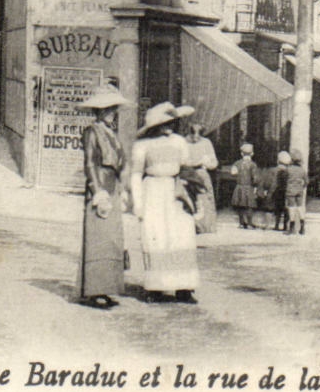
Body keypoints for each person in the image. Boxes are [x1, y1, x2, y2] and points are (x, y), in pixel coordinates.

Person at [129, 102, 199, 303]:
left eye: (172, 122)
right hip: (153, 191)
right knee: (157, 236)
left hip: (175, 190)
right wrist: (138, 203)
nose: (170, 126)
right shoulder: (142, 145)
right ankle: (156, 288)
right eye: (165, 122)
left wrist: (189, 190)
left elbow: (186, 167)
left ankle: (184, 287)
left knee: (181, 236)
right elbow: (136, 174)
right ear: (155, 125)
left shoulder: (179, 142)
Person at [77, 84, 128, 309]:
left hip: (113, 185)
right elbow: (89, 163)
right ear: (98, 111)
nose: (111, 113)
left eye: (113, 109)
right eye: (107, 109)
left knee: (110, 239)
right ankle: (93, 289)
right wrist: (97, 190)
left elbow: (120, 163)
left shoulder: (111, 134)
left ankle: (106, 287)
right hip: (100, 187)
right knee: (98, 239)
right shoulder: (92, 132)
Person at [182, 117, 219, 235]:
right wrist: (198, 162)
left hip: (201, 175)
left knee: (204, 200)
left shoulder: (206, 143)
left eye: (199, 133)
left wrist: (207, 163)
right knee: (187, 199)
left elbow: (214, 163)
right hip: (187, 174)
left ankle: (204, 226)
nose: (195, 137)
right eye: (193, 133)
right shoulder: (182, 142)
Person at [229, 143, 262, 229]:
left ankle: (241, 223)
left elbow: (233, 172)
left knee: (240, 205)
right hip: (249, 187)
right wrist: (256, 185)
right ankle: (250, 223)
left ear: (241, 153)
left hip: (239, 186)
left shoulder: (237, 163)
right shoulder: (253, 164)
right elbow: (255, 178)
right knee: (249, 205)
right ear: (252, 154)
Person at [278, 150, 308, 236]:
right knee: (300, 207)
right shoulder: (302, 170)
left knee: (291, 208)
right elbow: (306, 181)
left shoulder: (288, 170)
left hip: (290, 190)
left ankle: (291, 226)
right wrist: (302, 187)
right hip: (299, 190)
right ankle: (302, 226)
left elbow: (284, 179)